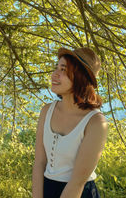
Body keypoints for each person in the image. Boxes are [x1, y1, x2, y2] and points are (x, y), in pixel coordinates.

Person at [32, 47, 108, 198]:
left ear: (80, 77)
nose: (55, 74)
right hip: (47, 189)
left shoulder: (95, 122)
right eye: (56, 68)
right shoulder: (47, 111)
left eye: (63, 70)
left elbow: (77, 182)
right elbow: (39, 162)